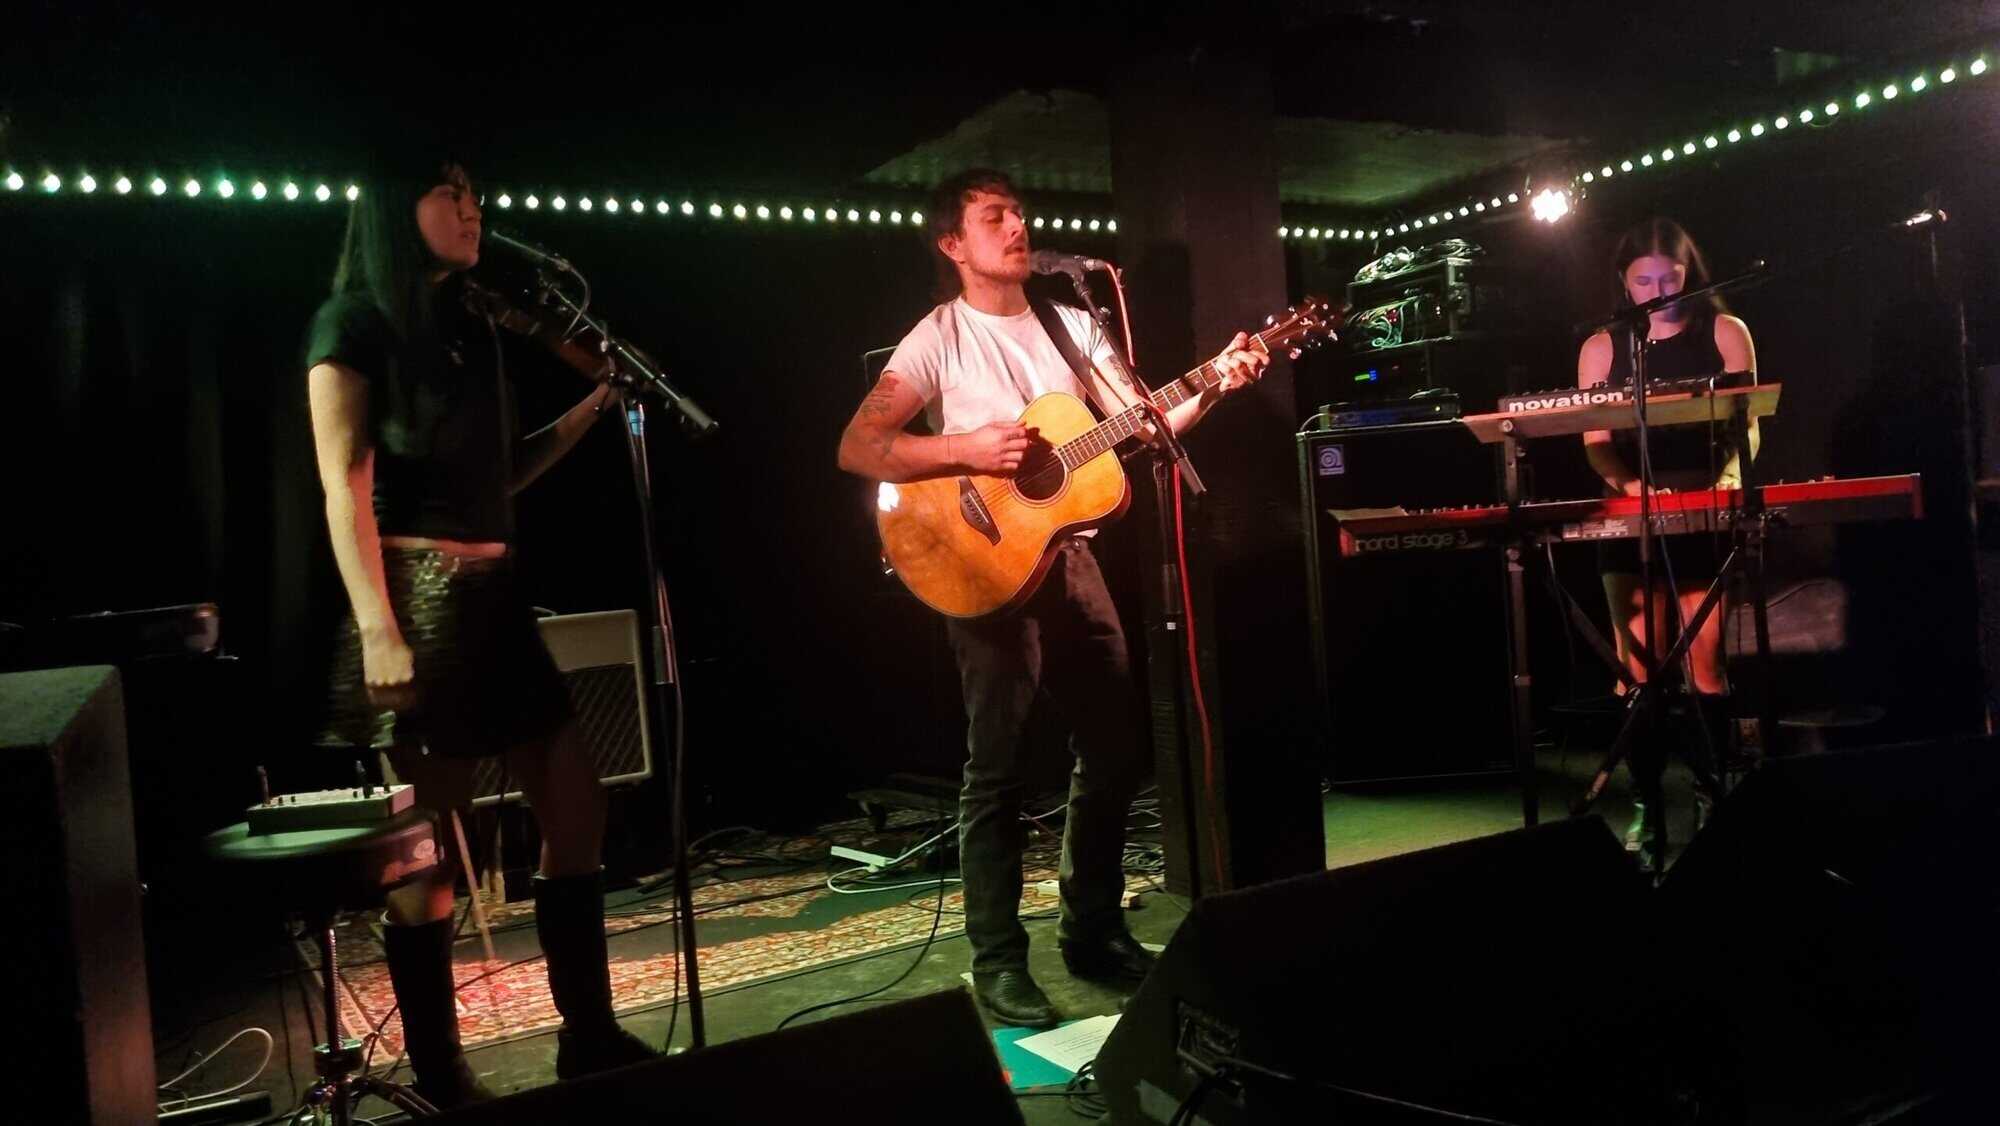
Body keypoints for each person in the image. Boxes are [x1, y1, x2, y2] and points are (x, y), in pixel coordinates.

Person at [836, 168, 1268, 1027]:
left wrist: (1217, 379)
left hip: (1069, 559)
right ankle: (998, 960)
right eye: (994, 217)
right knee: (996, 770)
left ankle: (1091, 930)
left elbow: (1142, 422)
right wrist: (963, 449)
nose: (1017, 226)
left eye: (1019, 213)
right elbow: (859, 446)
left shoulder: (1072, 326)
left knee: (1115, 745)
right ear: (953, 245)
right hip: (983, 567)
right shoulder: (938, 338)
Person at [304, 153, 652, 1106]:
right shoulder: (352, 323)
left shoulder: (471, 324)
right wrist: (378, 626)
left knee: (575, 806)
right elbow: (343, 483)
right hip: (415, 597)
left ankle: (588, 1036)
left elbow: (501, 474)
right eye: (449, 193)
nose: (473, 209)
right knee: (428, 856)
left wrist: (596, 405)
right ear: (395, 205)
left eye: (475, 194)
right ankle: (440, 1071)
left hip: (495, 599)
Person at [1576, 216, 1758, 870]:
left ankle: (1714, 798)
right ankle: (1647, 806)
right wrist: (1632, 488)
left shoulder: (1725, 331)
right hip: (1633, 515)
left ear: (1690, 273)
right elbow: (1595, 443)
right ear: (1624, 284)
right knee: (1638, 673)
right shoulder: (1604, 347)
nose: (1659, 292)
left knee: (1706, 664)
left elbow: (1749, 423)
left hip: (1704, 508)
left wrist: (1728, 480)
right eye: (1644, 281)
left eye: (1670, 278)